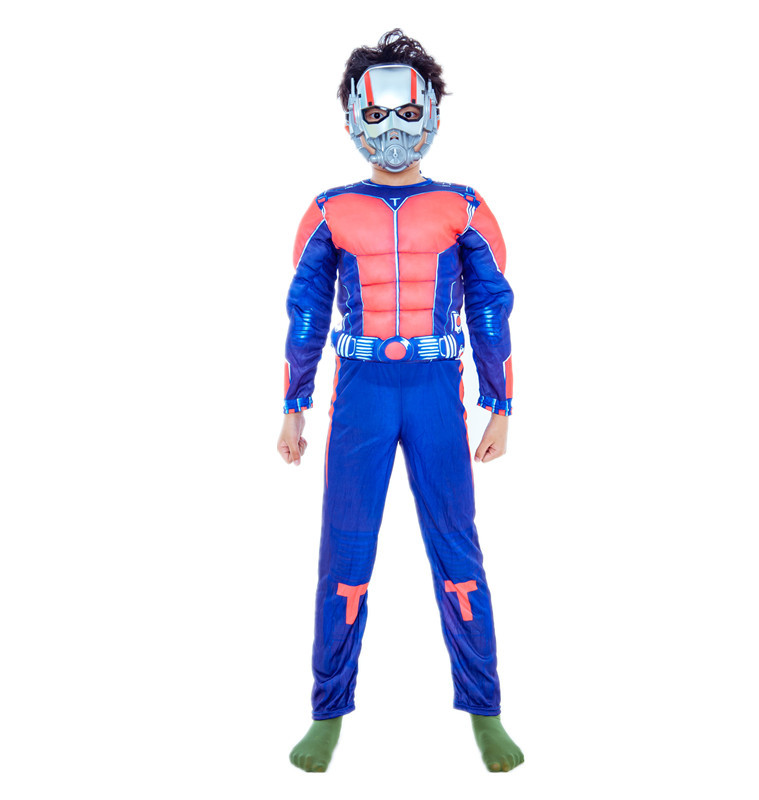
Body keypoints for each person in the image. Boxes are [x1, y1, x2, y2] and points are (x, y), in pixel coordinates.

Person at [278, 29, 524, 773]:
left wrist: (501, 402)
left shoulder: (464, 207)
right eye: (376, 114)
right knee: (345, 551)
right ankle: (328, 711)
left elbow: (490, 305)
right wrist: (293, 402)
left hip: (435, 391)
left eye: (408, 113)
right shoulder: (329, 210)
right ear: (351, 119)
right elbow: (306, 310)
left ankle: (485, 710)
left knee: (457, 549)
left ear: (434, 114)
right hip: (360, 394)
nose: (392, 130)